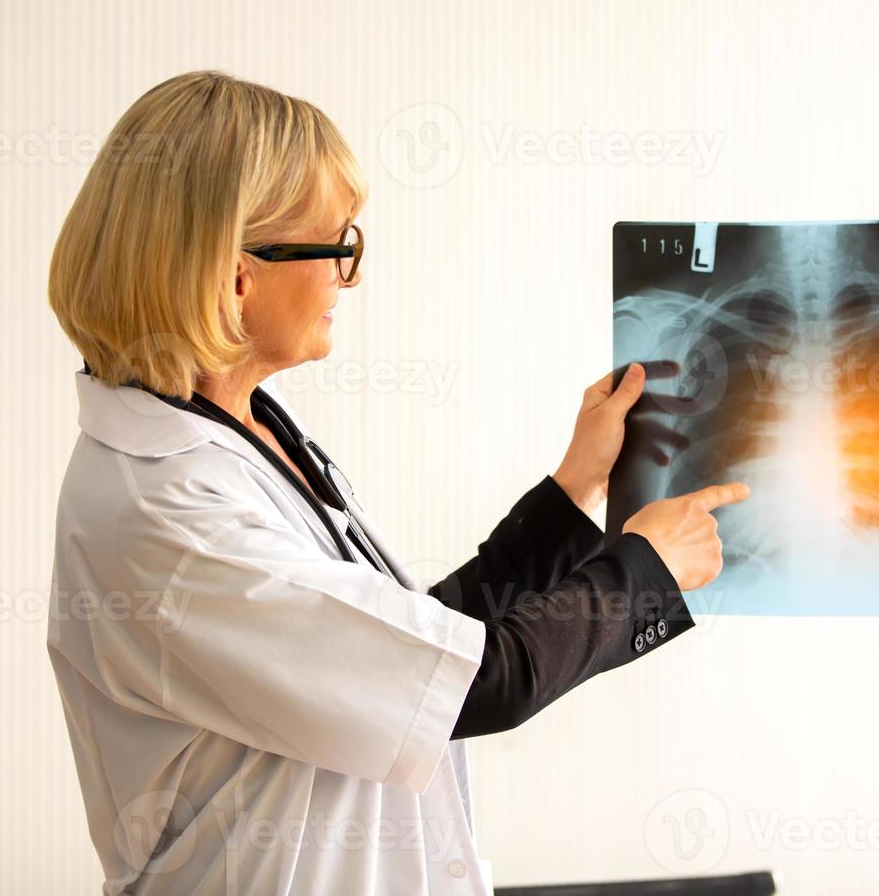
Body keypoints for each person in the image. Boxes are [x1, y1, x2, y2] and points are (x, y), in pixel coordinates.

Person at [45, 70, 750, 895]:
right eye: (340, 245)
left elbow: (411, 652)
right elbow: (475, 686)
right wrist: (643, 573)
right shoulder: (168, 512)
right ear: (236, 275)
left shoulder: (247, 431)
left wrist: (571, 492)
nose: (351, 277)